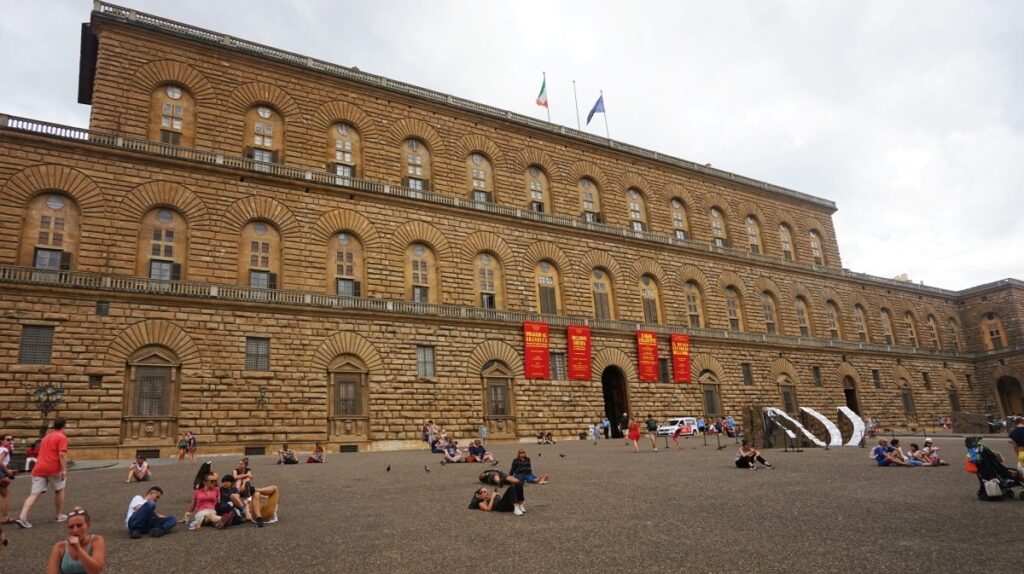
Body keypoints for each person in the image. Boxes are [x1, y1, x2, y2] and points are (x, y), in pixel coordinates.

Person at [17, 417, 69, 529]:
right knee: (59, 490)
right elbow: (62, 455)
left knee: (34, 494)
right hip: (53, 468)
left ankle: (22, 517)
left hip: (39, 468)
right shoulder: (61, 437)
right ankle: (58, 515)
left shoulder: (46, 437)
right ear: (64, 426)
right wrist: (64, 469)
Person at [45, 506, 106, 574]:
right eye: (71, 527)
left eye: (79, 525)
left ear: (88, 526)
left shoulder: (96, 540)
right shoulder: (60, 547)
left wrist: (79, 549)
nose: (75, 530)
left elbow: (96, 571)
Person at [1, 435, 17, 525]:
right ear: (2, 441)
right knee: (6, 495)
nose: (10, 441)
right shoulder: (5, 450)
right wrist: (7, 471)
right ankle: (5, 517)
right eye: (8, 439)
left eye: (11, 439)